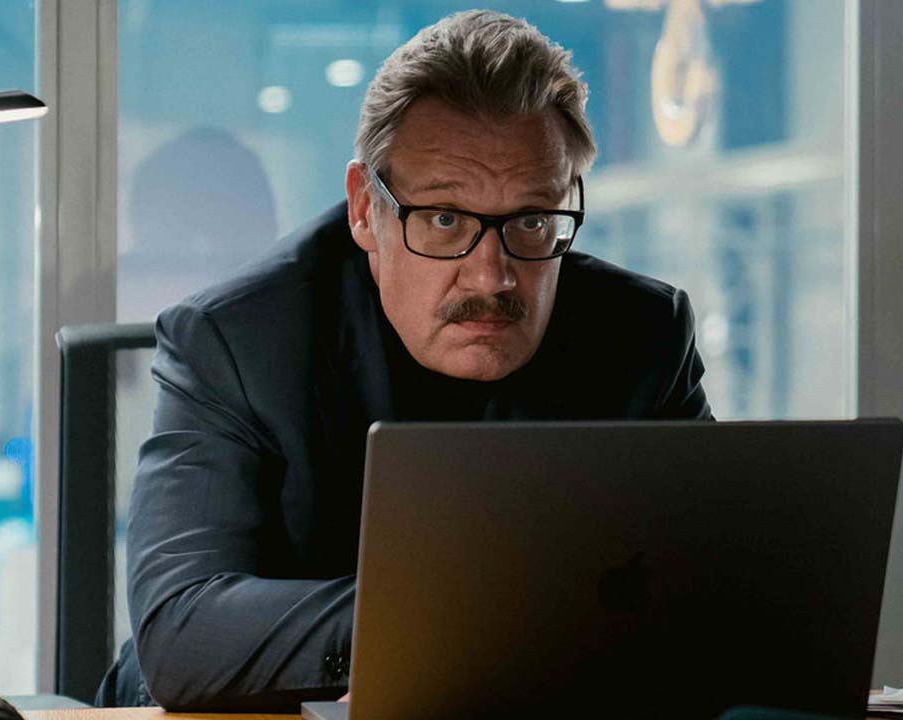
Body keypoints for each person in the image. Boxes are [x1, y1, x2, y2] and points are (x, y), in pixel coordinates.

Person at [97, 9, 712, 711]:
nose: (492, 276)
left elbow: (725, 584)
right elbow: (183, 633)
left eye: (531, 220)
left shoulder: (644, 334)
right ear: (366, 209)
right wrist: (473, 612)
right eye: (445, 219)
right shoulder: (236, 341)